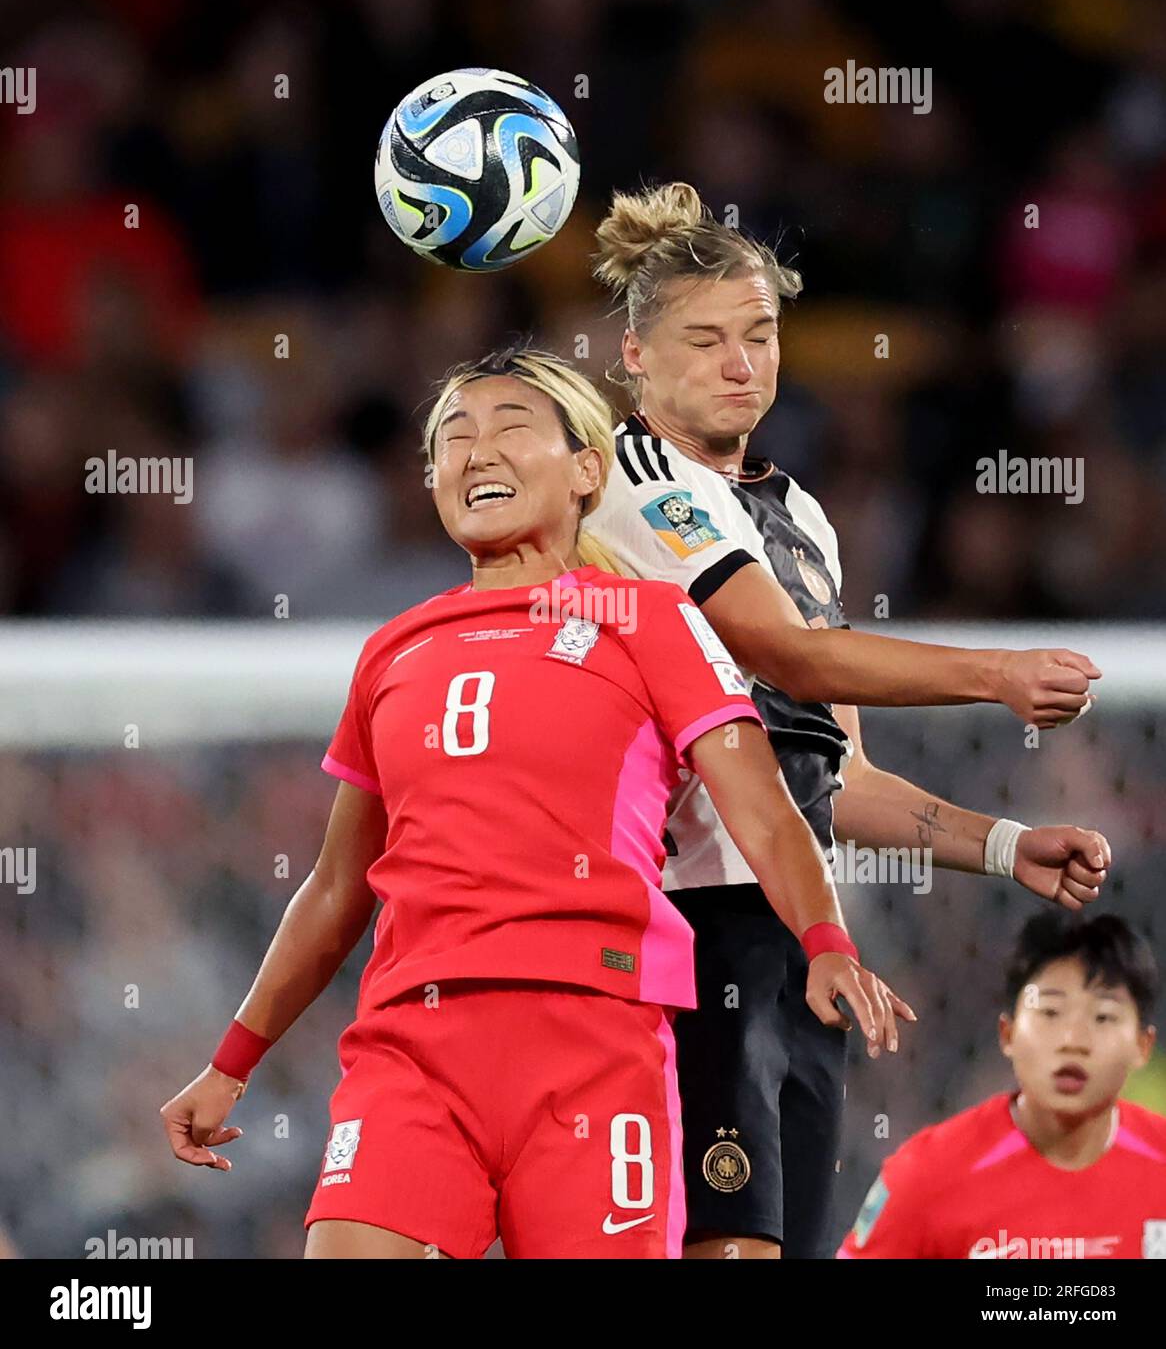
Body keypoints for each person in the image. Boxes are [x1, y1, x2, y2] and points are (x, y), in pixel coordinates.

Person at [160, 346, 910, 1260]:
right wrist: (231, 1062)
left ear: (587, 468)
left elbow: (759, 804)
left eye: (512, 427)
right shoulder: (392, 651)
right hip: (412, 1045)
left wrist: (826, 942)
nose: (477, 452)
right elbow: (333, 889)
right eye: (453, 438)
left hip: (595, 1041)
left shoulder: (651, 621)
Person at [585, 181, 1111, 1260]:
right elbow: (789, 653)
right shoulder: (633, 485)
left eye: (761, 335)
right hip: (693, 920)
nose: (743, 365)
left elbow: (840, 778)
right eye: (705, 341)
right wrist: (995, 673)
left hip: (799, 927)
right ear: (633, 355)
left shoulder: (802, 515)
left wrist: (1004, 845)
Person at [838, 912, 1165, 1259]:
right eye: (1051, 1013)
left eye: (1103, 1017)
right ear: (1007, 1034)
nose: (1073, 1040)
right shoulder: (926, 1175)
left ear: (1142, 1046)